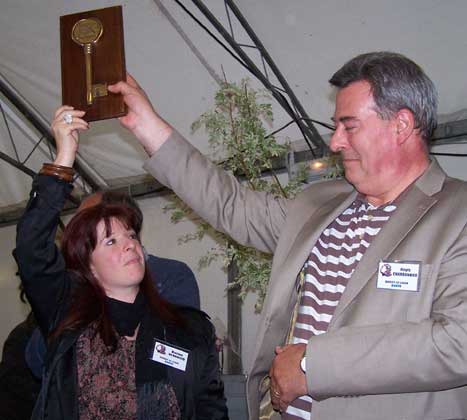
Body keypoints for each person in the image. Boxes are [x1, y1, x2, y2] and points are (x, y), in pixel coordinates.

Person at [107, 51, 467, 420]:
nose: (335, 142)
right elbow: (231, 205)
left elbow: (459, 342)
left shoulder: (457, 215)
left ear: (401, 125)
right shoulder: (319, 205)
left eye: (350, 126)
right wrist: (146, 125)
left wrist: (313, 364)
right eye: (336, 126)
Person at [13, 106, 228, 419]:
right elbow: (31, 246)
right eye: (111, 241)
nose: (130, 244)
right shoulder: (67, 315)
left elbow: (211, 410)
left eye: (130, 235)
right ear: (89, 265)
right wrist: (64, 157)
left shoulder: (188, 329)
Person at [24, 189, 200, 379]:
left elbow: (182, 357)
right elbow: (38, 359)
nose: (80, 228)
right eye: (110, 241)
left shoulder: (171, 276)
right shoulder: (73, 293)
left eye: (130, 235)